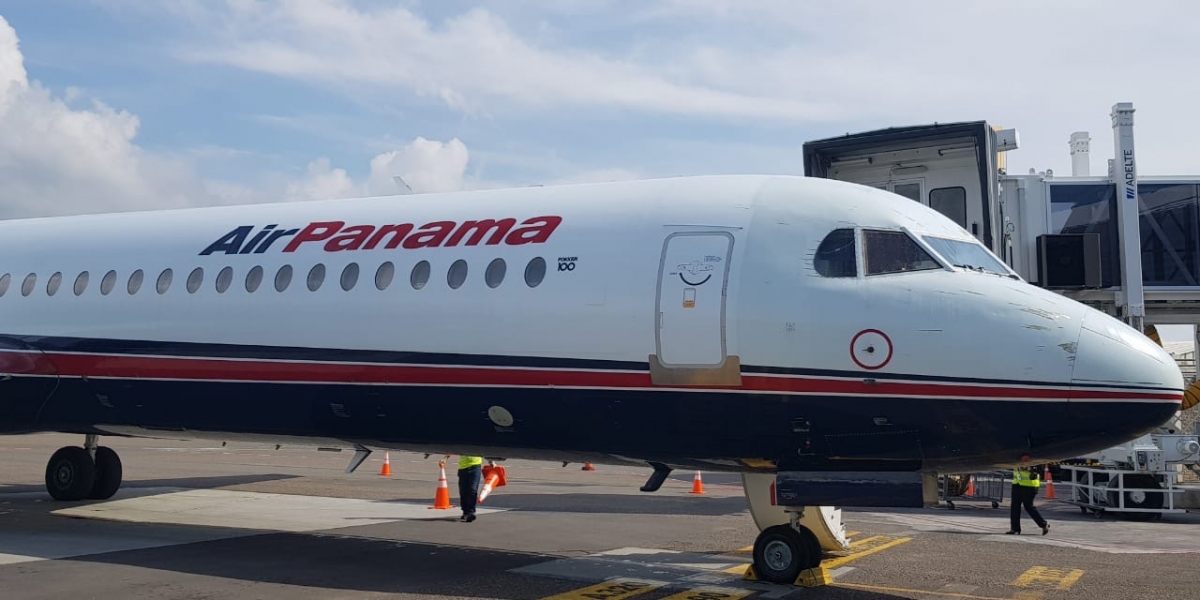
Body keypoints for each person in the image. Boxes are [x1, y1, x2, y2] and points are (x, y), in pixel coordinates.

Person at [1008, 458, 1050, 535]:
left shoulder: (1034, 454)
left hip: (1030, 485)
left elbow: (1039, 468)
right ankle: (1015, 528)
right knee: (1015, 506)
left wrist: (1030, 468)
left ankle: (1043, 524)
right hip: (1017, 483)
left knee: (1028, 506)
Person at [457, 454, 483, 523]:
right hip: (463, 467)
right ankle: (465, 511)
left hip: (475, 466)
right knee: (463, 491)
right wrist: (445, 457)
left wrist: (491, 461)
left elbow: (483, 449)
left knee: (473, 490)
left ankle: (471, 512)